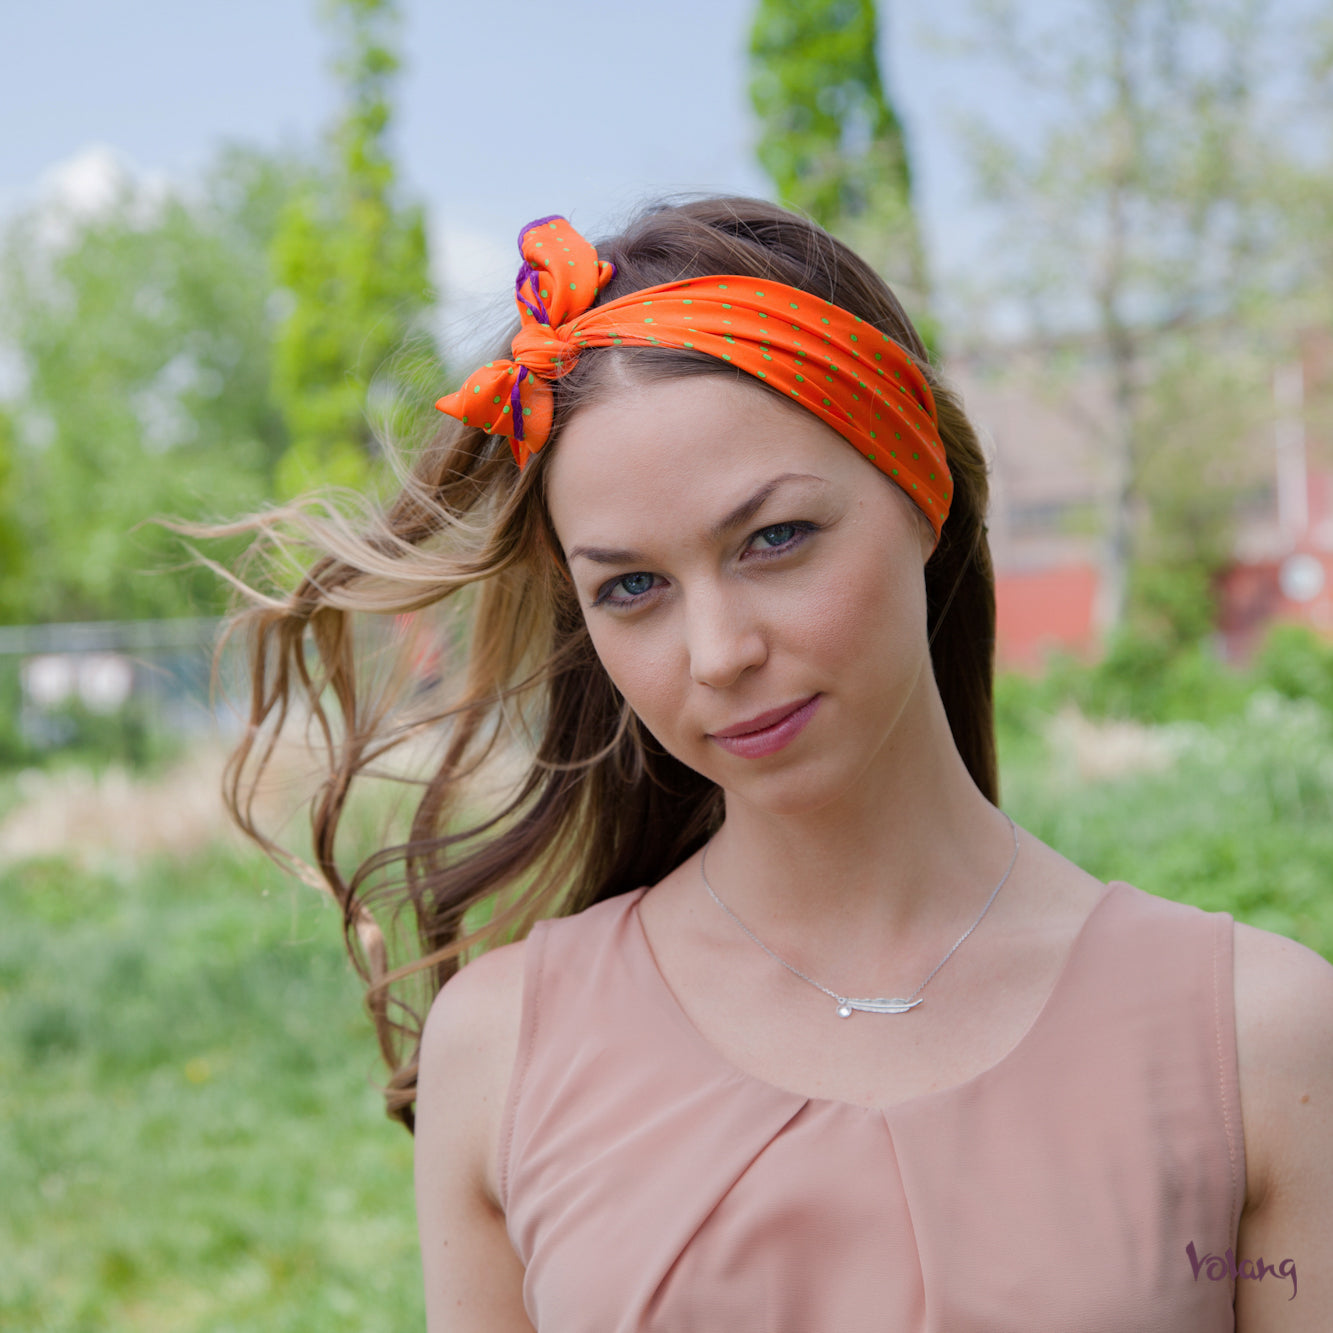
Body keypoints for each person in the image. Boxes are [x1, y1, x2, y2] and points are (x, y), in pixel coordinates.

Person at [221, 198, 1332, 1331]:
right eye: (631, 587)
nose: (717, 655)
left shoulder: (1258, 1039)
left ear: (922, 495)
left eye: (774, 538)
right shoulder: (502, 1048)